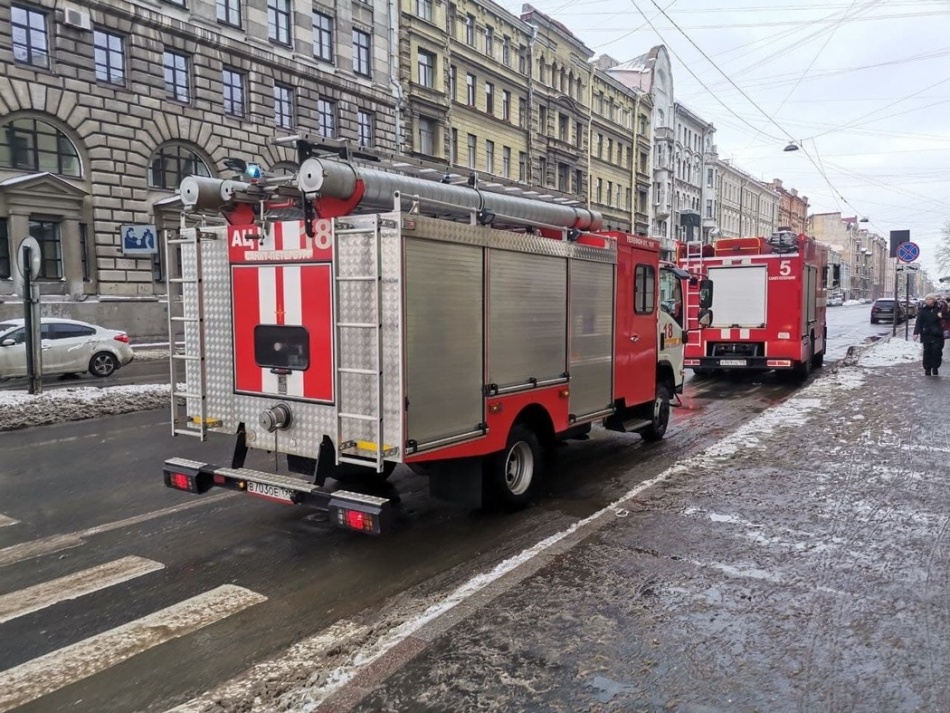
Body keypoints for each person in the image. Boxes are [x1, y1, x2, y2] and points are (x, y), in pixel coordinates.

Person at [913, 293, 945, 375]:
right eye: (926, 299)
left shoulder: (940, 309)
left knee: (937, 351)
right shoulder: (923, 310)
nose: (927, 301)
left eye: (929, 299)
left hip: (938, 334)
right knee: (927, 351)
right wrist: (916, 332)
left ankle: (935, 367)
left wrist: (942, 316)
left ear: (933, 300)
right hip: (926, 333)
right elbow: (919, 322)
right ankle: (927, 368)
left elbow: (947, 318)